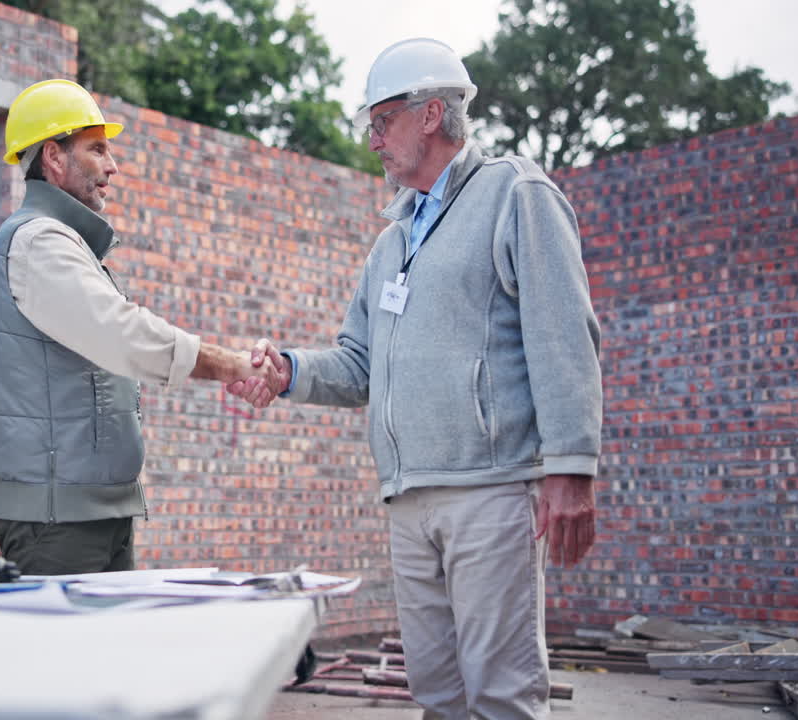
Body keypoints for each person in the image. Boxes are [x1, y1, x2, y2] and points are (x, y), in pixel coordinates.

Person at [231, 38, 602, 719]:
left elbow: (563, 334)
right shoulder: (391, 241)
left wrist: (571, 464)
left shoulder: (515, 194)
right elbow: (359, 364)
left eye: (380, 122)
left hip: (488, 492)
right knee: (436, 695)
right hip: (408, 499)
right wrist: (287, 370)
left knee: (502, 694)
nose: (372, 142)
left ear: (430, 115)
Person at [0, 79, 282, 577]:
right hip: (58, 518)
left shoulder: (68, 245)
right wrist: (231, 365)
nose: (112, 165)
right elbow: (123, 335)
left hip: (94, 508)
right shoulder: (39, 243)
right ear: (54, 158)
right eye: (97, 149)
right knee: (73, 657)